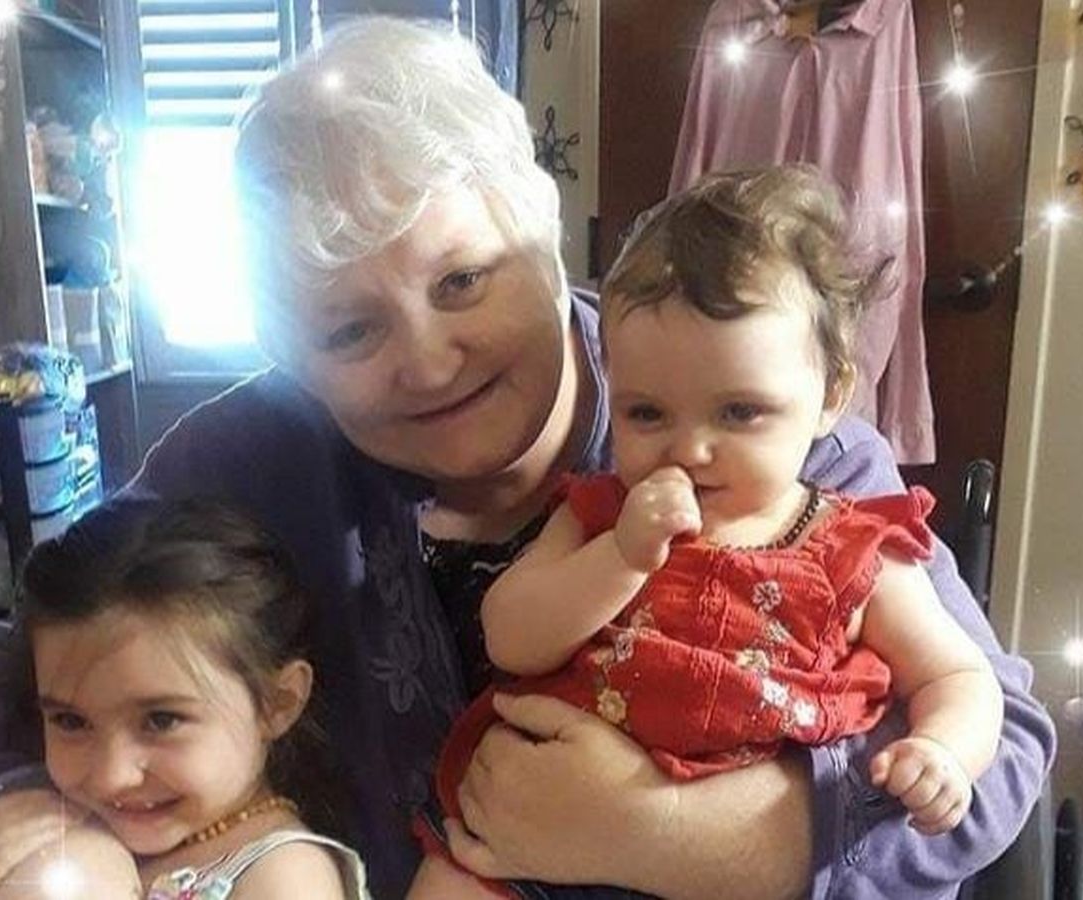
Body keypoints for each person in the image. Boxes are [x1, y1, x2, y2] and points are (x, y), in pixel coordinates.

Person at [0, 15, 1054, 900]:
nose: (427, 361)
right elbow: (9, 679)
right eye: (348, 331)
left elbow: (1005, 747)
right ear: (289, 352)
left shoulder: (767, 442)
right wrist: (64, 843)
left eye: (463, 280)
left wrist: (667, 836)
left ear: (540, 233)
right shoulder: (247, 456)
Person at [413, 167, 1004, 898]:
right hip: (533, 841)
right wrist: (622, 557)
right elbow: (511, 635)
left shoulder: (860, 551)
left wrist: (944, 751)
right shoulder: (602, 515)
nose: (690, 448)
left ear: (831, 395)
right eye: (647, 414)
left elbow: (958, 676)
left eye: (739, 412)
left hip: (725, 858)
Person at [0, 499, 369, 900]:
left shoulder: (287, 880)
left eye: (162, 720)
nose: (112, 776)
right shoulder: (51, 824)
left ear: (277, 703)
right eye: (70, 721)